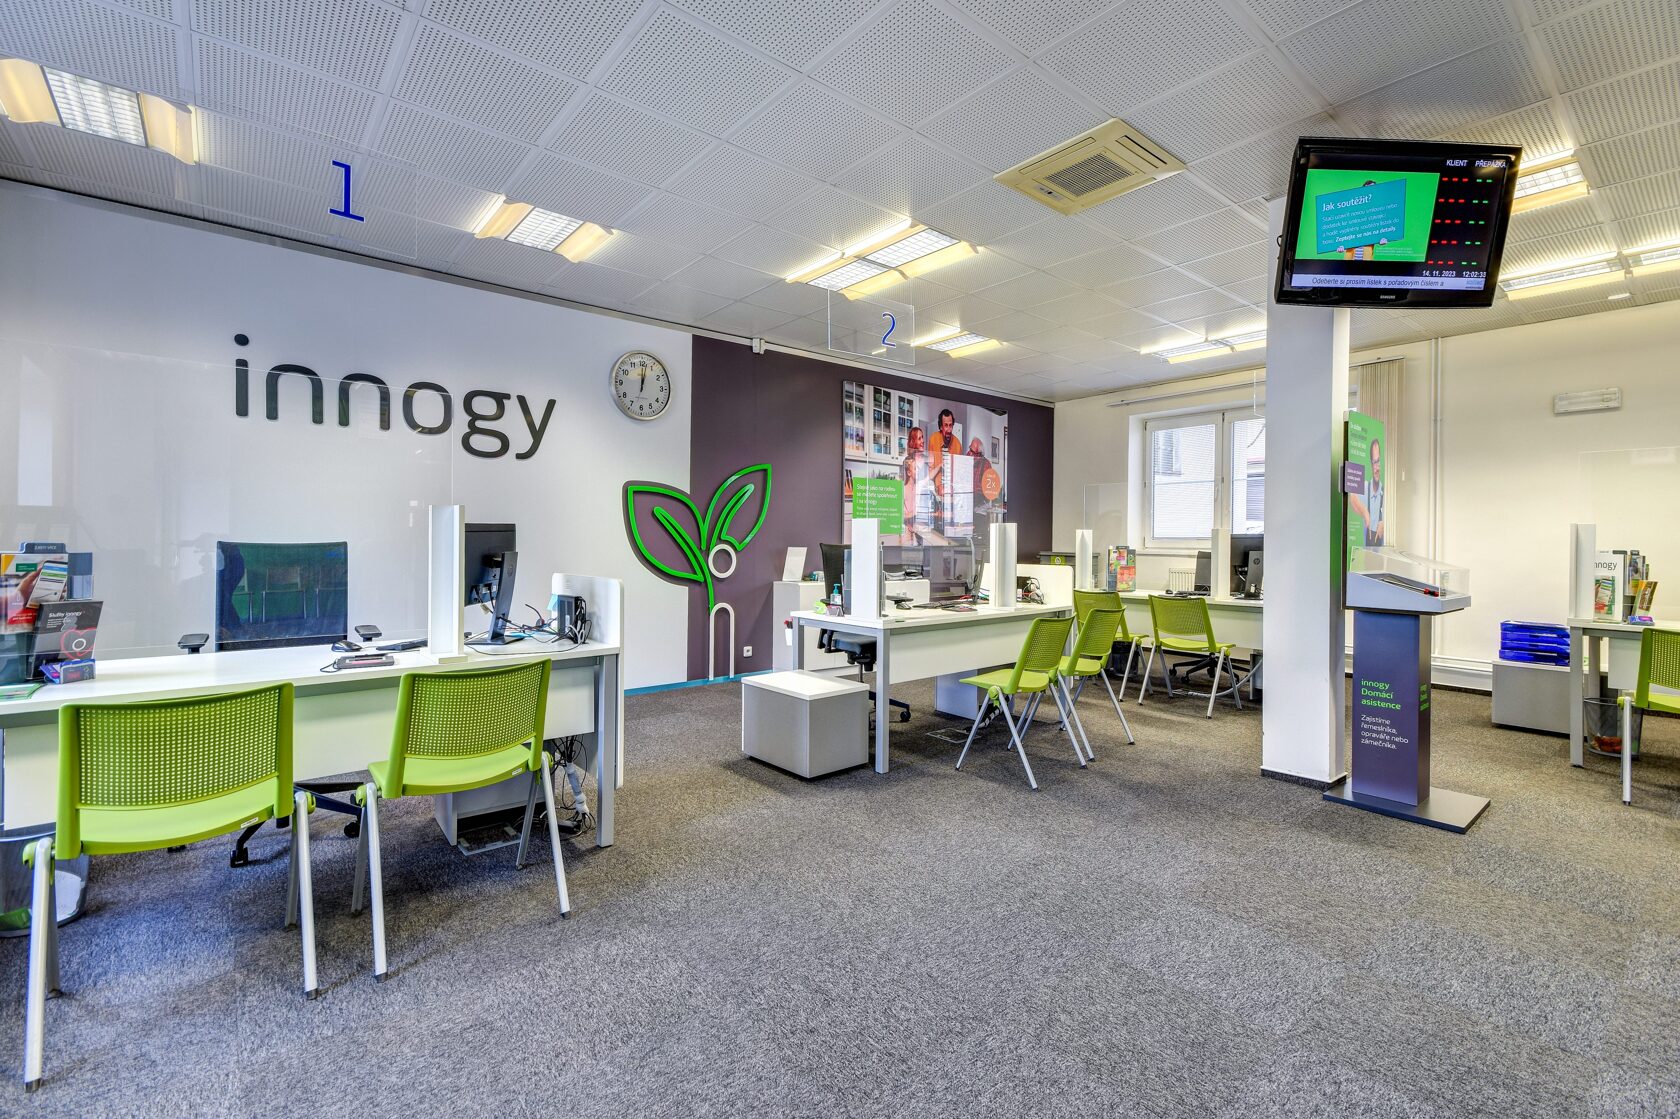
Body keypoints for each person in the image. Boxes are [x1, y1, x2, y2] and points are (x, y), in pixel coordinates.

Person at [1348, 437, 1386, 546]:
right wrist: (1364, 512)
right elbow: (1352, 495)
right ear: (1371, 463)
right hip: (1365, 551)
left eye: (1378, 461)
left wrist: (1384, 523)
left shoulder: (1385, 492)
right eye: (1374, 462)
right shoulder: (1365, 487)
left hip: (1380, 551)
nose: (1377, 468)